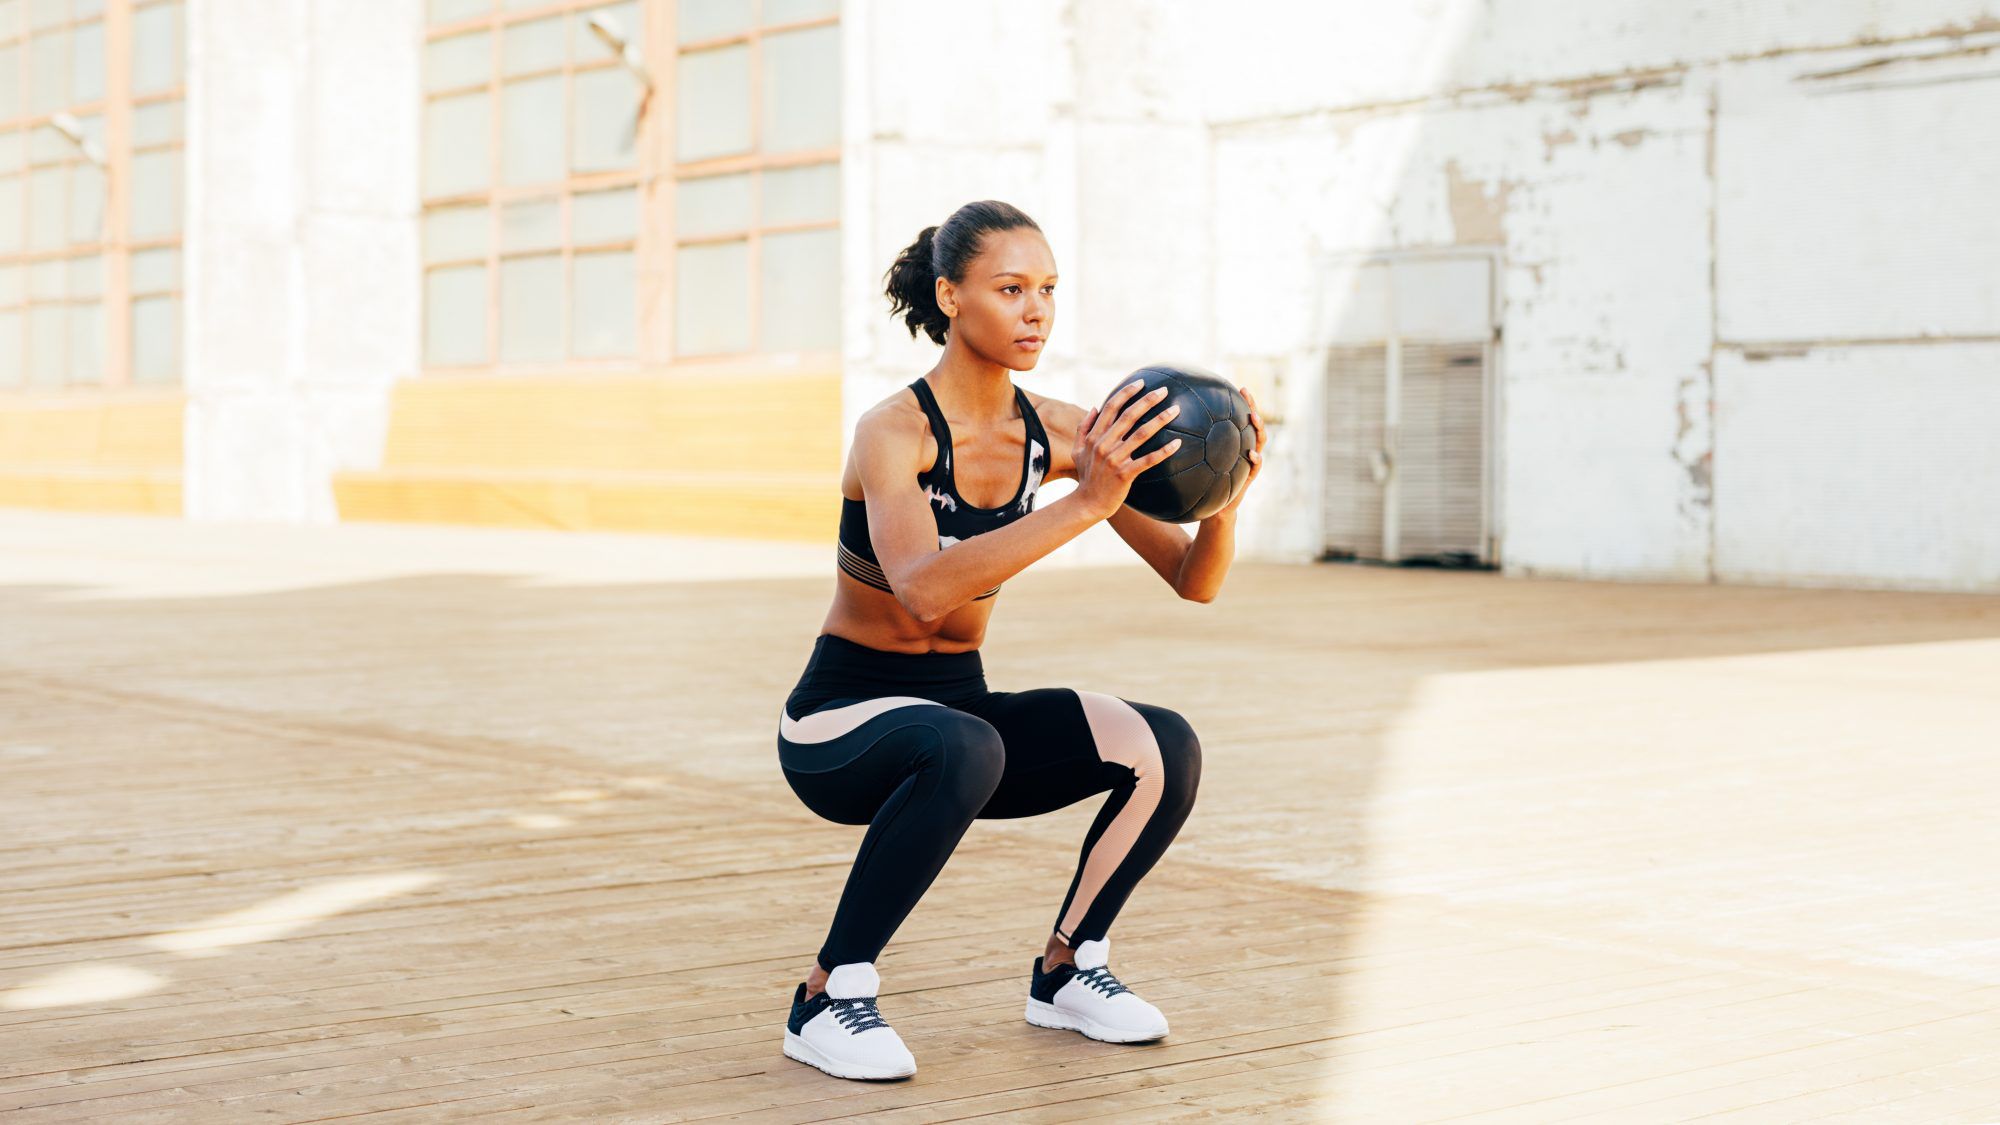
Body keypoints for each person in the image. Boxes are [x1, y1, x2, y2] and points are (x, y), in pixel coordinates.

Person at [777, 199, 1268, 1081]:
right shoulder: (894, 430)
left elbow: (1193, 580)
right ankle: (826, 995)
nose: (1036, 311)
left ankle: (1068, 968)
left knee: (1164, 745)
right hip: (839, 721)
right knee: (963, 742)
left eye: (1047, 289)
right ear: (951, 296)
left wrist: (1222, 499)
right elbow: (923, 591)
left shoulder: (1067, 432)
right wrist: (1087, 501)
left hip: (962, 719)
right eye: (1010, 289)